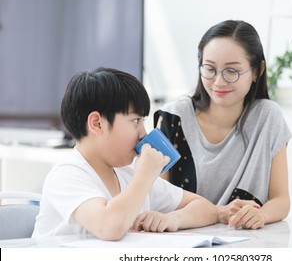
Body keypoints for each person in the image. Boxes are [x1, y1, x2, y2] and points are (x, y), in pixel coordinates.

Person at [32, 67, 217, 241]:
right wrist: (145, 175)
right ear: (97, 123)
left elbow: (206, 208)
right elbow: (110, 227)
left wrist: (173, 219)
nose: (143, 133)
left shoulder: (127, 172)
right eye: (135, 121)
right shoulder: (66, 174)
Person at [154, 20, 292, 230]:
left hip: (246, 241)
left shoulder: (268, 116)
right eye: (209, 69)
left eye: (232, 71)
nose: (218, 82)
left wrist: (260, 215)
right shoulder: (173, 117)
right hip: (181, 238)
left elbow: (281, 200)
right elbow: (154, 194)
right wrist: (216, 213)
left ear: (257, 70)